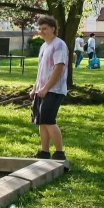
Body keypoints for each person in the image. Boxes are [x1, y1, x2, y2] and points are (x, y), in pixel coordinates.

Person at [30, 16, 68, 162]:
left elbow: (59, 68)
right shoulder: (44, 46)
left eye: (44, 28)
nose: (41, 32)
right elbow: (41, 70)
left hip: (54, 89)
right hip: (42, 90)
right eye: (39, 29)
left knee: (49, 120)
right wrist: (35, 88)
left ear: (53, 29)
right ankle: (44, 152)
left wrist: (46, 88)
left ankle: (59, 153)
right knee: (41, 120)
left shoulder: (59, 45)